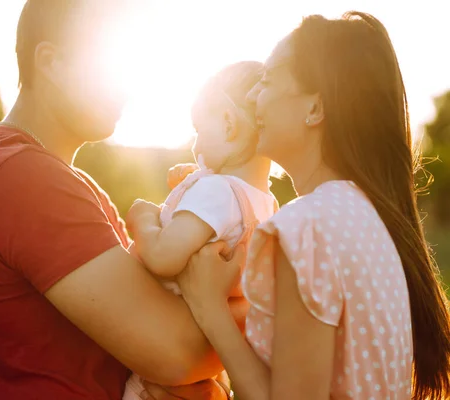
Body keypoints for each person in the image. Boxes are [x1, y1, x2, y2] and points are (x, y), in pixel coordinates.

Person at [0, 1, 246, 399]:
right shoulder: (18, 176)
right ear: (50, 62)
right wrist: (267, 309)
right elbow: (177, 353)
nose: (126, 85)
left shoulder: (66, 181)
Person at [174, 11, 450, 400]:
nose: (253, 97)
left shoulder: (307, 227)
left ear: (315, 109)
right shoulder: (371, 218)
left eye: (267, 81)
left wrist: (210, 309)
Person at [123, 61, 276, 399]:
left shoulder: (217, 192)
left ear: (227, 122)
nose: (195, 144)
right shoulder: (267, 204)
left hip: (160, 359)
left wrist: (143, 216)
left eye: (198, 129)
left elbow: (163, 256)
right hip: (211, 361)